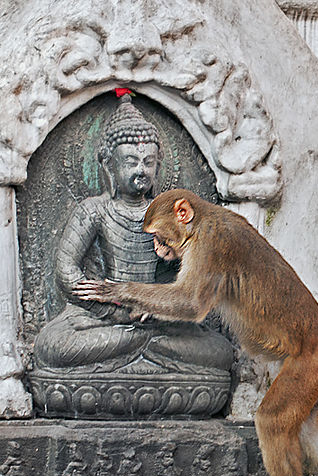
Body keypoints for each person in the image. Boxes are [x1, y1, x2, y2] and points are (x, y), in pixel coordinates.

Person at [33, 92, 232, 372]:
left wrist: (161, 306)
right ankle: (142, 349)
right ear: (109, 165)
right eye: (130, 162)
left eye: (148, 162)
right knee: (52, 346)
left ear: (158, 166)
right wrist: (114, 312)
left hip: (157, 322)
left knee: (221, 352)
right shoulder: (94, 211)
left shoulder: (168, 213)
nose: (141, 170)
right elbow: (66, 271)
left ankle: (139, 347)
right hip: (103, 321)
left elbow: (188, 278)